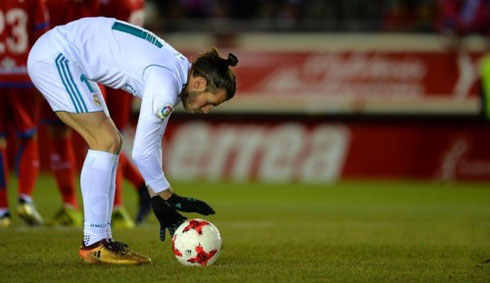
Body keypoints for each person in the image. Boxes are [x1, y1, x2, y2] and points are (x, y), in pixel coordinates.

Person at [27, 17, 238, 264]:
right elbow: (142, 151)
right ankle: (95, 243)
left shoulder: (177, 71)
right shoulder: (166, 82)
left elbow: (153, 141)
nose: (207, 110)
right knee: (106, 141)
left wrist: (160, 195)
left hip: (64, 54)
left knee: (109, 141)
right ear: (200, 83)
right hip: (57, 57)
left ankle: (98, 242)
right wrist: (166, 196)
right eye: (211, 102)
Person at [42, 0, 100, 227]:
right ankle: (69, 205)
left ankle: (112, 209)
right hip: (52, 64)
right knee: (57, 134)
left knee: (101, 138)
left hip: (82, 67)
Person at [99, 0, 152, 227]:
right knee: (106, 140)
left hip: (114, 72)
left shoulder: (117, 3)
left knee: (108, 140)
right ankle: (140, 188)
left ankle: (119, 206)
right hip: (122, 70)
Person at [0, 0, 50, 228]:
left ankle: (2, 211)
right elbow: (43, 39)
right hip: (24, 77)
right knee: (28, 137)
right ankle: (25, 199)